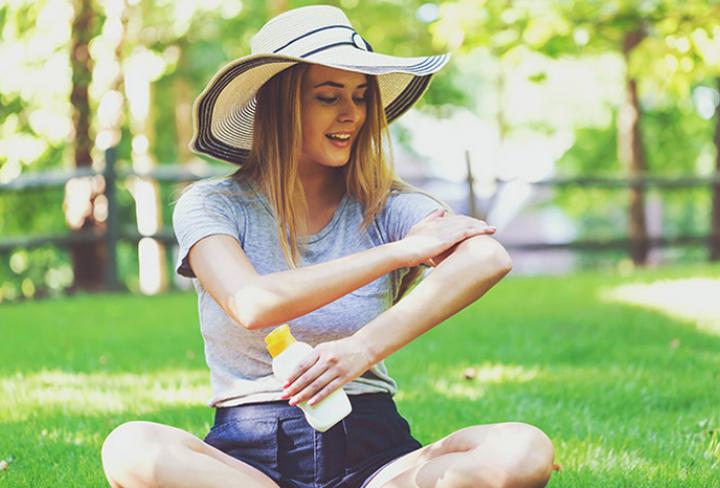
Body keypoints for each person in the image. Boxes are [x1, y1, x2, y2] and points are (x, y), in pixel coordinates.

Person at [101, 5, 555, 488]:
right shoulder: (212, 205)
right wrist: (397, 254)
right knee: (131, 446)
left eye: (360, 97)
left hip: (375, 457)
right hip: (248, 464)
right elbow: (251, 303)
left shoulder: (389, 206)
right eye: (327, 96)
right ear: (280, 104)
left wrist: (359, 350)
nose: (351, 114)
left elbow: (487, 256)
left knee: (523, 450)